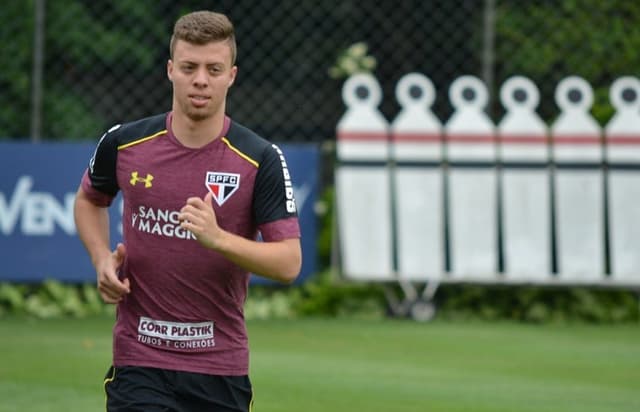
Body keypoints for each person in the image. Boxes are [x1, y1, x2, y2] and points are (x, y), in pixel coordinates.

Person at [73, 10, 301, 412]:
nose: (200, 79)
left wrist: (218, 239)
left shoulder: (259, 158)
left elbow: (288, 262)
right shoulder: (124, 143)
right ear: (170, 70)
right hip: (139, 359)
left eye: (213, 69)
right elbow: (90, 199)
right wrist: (101, 260)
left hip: (220, 366)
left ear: (231, 74)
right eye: (189, 67)